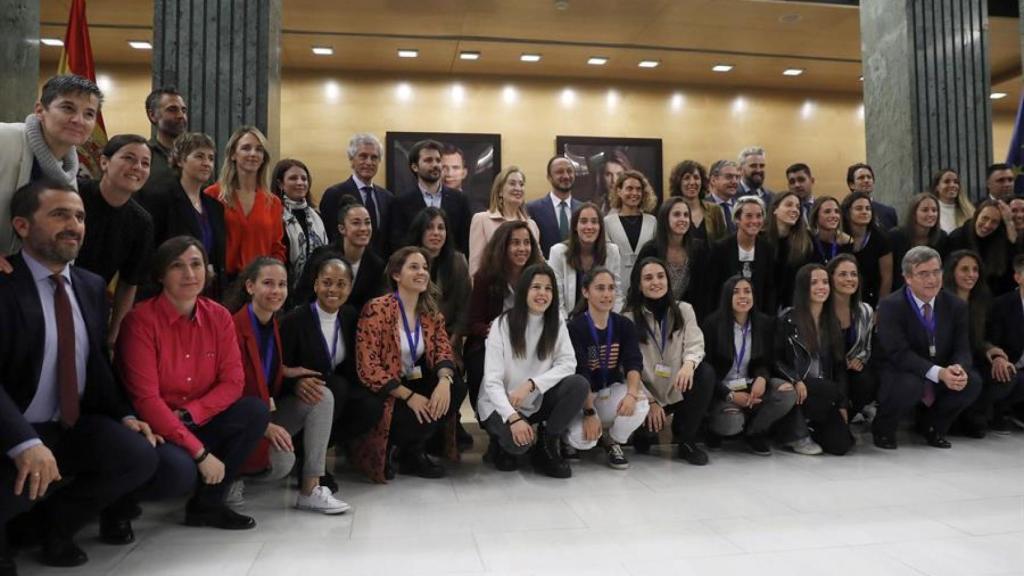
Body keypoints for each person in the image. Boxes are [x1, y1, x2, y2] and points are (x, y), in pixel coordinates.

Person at [0, 181, 159, 573]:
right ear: (21, 225)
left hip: (68, 424)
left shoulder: (89, 285)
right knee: (14, 491)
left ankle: (55, 528)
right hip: (11, 429)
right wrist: (23, 442)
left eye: (80, 216)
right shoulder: (4, 282)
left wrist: (123, 414)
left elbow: (93, 365)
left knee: (137, 455)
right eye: (59, 215)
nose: (74, 225)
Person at [117, 236, 270, 528]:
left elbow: (233, 382)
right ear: (161, 275)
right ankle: (119, 504)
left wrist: (192, 413)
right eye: (177, 266)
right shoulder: (140, 322)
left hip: (196, 417)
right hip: (155, 427)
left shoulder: (219, 316)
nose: (189, 274)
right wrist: (200, 454)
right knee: (179, 471)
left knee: (254, 412)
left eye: (196, 264)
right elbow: (146, 400)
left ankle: (207, 507)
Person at [227, 257, 350, 514]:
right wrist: (264, 425)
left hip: (263, 413)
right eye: (268, 283)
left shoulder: (272, 323)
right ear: (250, 286)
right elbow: (229, 388)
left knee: (322, 395)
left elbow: (263, 366)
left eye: (282, 284)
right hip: (237, 421)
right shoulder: (232, 326)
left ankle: (311, 488)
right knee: (283, 461)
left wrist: (290, 374)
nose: (276, 291)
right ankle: (231, 476)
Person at [353, 247, 464, 482]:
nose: (422, 272)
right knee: (400, 410)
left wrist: (444, 381)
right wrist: (409, 396)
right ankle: (394, 446)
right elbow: (368, 368)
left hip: (416, 380)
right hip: (389, 390)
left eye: (425, 267)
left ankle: (413, 451)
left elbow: (444, 349)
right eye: (413, 267)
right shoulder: (377, 309)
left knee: (456, 387)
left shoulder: (431, 312)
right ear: (396, 275)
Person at [477, 264, 588, 477]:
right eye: (536, 287)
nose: (542, 294)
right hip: (499, 405)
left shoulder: (556, 322)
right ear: (524, 291)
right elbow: (492, 381)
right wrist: (513, 418)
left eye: (548, 289)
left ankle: (547, 444)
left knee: (578, 384)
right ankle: (500, 442)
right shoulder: (502, 324)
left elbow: (568, 364)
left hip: (534, 399)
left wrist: (532, 384)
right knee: (518, 446)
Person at [872, 246, 981, 449]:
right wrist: (939, 373)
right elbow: (898, 353)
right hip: (900, 368)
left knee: (971, 381)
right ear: (908, 278)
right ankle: (884, 427)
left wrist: (958, 368)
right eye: (923, 274)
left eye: (936, 272)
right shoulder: (891, 306)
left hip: (939, 368)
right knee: (910, 383)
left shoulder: (956, 305)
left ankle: (933, 426)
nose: (932, 279)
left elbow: (963, 347)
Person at [622, 257, 715, 464]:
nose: (655, 282)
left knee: (705, 373)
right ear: (639, 285)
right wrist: (650, 400)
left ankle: (687, 440)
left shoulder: (684, 310)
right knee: (644, 442)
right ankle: (643, 428)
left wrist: (689, 365)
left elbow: (695, 344)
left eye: (660, 276)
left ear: (668, 281)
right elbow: (626, 367)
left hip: (676, 389)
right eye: (648, 278)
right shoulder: (628, 319)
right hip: (646, 393)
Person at [1, 74, 102, 259]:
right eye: (67, 108)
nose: (78, 120)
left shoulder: (69, 171)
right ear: (40, 110)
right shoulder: (4, 138)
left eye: (89, 114)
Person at [565, 267, 650, 469]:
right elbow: (581, 372)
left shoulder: (623, 325)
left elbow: (633, 362)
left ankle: (612, 441)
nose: (607, 294)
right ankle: (566, 439)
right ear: (586, 292)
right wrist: (589, 412)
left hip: (607, 391)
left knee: (640, 403)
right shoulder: (575, 328)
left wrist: (630, 393)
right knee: (584, 441)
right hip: (581, 399)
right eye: (600, 288)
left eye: (611, 288)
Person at [74, 134, 154, 346]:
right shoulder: (74, 193)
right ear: (104, 162)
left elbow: (129, 283)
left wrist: (115, 333)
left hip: (91, 305)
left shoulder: (142, 222)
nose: (137, 167)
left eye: (145, 163)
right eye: (129, 158)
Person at [700, 275, 794, 456]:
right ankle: (714, 428)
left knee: (787, 392)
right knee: (731, 424)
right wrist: (729, 395)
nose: (743, 296)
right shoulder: (712, 324)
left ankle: (754, 432)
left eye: (747, 291)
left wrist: (762, 377)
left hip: (749, 384)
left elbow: (766, 360)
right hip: (721, 390)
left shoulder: (764, 323)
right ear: (727, 296)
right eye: (736, 292)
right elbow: (706, 370)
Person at [773, 264, 854, 456]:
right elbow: (775, 359)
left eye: (825, 282)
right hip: (798, 388)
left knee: (842, 446)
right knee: (826, 388)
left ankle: (810, 428)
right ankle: (794, 434)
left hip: (823, 394)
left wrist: (842, 404)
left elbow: (839, 367)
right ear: (803, 287)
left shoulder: (832, 322)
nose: (821, 287)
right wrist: (795, 380)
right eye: (814, 282)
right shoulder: (787, 319)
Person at [464, 221, 545, 408]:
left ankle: (536, 416)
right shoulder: (485, 277)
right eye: (515, 243)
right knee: (478, 364)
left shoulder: (539, 276)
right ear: (503, 246)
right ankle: (489, 417)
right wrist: (494, 331)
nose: (522, 248)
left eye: (527, 243)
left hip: (530, 340)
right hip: (492, 341)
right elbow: (473, 322)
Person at [138, 132, 227, 300]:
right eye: (199, 156)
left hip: (208, 293)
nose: (207, 163)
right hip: (168, 293)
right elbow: (149, 251)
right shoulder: (160, 198)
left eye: (210, 158)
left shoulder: (215, 207)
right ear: (180, 160)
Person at [204, 126, 286, 283]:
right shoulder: (212, 195)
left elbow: (277, 248)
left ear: (264, 157)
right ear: (233, 154)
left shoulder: (273, 202)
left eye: (259, 150)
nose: (253, 154)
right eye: (246, 148)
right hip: (221, 283)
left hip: (260, 284)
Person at [299, 196, 384, 313]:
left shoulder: (376, 265)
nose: (364, 228)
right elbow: (303, 296)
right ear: (342, 228)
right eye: (356, 223)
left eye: (367, 223)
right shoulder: (322, 256)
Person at [408, 207, 472, 359]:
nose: (436, 233)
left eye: (441, 228)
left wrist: (450, 344)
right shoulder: (403, 261)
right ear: (419, 231)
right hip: (410, 341)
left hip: (448, 342)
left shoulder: (458, 262)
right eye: (429, 227)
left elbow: (464, 310)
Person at [390, 140, 471, 255]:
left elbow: (465, 241)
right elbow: (398, 244)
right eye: (428, 160)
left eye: (438, 160)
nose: (435, 165)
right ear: (414, 167)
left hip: (450, 268)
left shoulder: (460, 200)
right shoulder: (401, 203)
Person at [319, 133, 393, 256]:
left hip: (379, 268)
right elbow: (330, 236)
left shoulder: (387, 198)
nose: (369, 162)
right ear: (352, 160)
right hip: (344, 264)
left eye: (374, 157)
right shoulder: (334, 194)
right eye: (363, 156)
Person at [636, 197, 710, 318]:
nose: (683, 219)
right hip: (653, 315)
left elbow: (705, 292)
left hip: (690, 316)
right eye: (677, 214)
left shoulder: (699, 249)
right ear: (665, 219)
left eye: (686, 215)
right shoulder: (650, 250)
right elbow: (636, 287)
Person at [548, 202, 624, 318]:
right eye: (583, 221)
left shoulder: (612, 252)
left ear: (600, 227)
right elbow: (557, 301)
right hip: (569, 322)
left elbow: (617, 294)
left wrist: (611, 322)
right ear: (575, 226)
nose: (589, 227)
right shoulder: (558, 253)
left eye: (594, 222)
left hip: (604, 321)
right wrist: (567, 327)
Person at [827, 254, 878, 419]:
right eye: (843, 274)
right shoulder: (820, 310)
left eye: (853, 274)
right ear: (830, 278)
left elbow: (867, 346)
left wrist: (860, 359)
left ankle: (851, 412)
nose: (849, 279)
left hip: (851, 369)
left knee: (867, 379)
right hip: (826, 369)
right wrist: (841, 361)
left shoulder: (865, 311)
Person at [468, 165, 540, 277]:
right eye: (512, 183)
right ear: (500, 191)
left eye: (521, 184)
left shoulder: (531, 225)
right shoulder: (481, 220)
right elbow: (475, 266)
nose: (518, 188)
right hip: (493, 289)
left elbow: (537, 263)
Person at [709, 197, 777, 314]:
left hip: (758, 317)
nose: (755, 221)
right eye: (749, 216)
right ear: (737, 219)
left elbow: (770, 290)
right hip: (726, 315)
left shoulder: (767, 249)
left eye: (759, 216)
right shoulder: (720, 249)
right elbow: (712, 289)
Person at [271, 158, 327, 298]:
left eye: (304, 178)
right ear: (280, 184)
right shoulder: (274, 215)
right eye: (293, 178)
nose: (300, 183)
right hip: (283, 291)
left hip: (315, 293)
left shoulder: (317, 216)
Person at [984, 254, 1024, 433]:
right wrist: (999, 356)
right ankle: (995, 412)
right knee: (1007, 374)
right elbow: (991, 339)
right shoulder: (1001, 305)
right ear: (1018, 277)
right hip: (1006, 363)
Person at [948, 199, 1020, 295]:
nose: (987, 225)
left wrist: (1009, 222)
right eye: (984, 218)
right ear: (976, 215)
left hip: (995, 298)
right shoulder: (957, 237)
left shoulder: (1000, 240)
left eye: (994, 222)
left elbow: (1012, 272)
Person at [605, 169, 657, 292]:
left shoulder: (652, 221)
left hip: (647, 284)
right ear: (619, 191)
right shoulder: (607, 222)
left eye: (638, 189)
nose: (634, 193)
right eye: (629, 188)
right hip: (617, 284)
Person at [841, 191, 893, 306]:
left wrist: (880, 308)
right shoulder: (839, 237)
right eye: (859, 208)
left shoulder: (881, 238)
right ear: (847, 212)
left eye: (868, 208)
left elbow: (887, 278)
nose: (864, 212)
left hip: (872, 299)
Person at [526, 155, 582, 258]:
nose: (566, 176)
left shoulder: (583, 209)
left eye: (569, 171)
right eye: (559, 172)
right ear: (549, 177)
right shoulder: (533, 209)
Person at [889, 193, 948, 290]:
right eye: (925, 210)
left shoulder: (942, 237)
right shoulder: (896, 236)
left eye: (934, 210)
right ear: (913, 213)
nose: (931, 214)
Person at [138, 86, 188, 202]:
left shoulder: (196, 156)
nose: (181, 116)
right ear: (153, 115)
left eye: (183, 110)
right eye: (172, 109)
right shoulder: (142, 157)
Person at [768, 191, 814, 311]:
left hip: (794, 306)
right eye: (789, 205)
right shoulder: (761, 238)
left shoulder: (806, 241)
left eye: (798, 207)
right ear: (775, 209)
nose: (795, 210)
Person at [669, 159, 727, 243]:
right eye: (687, 178)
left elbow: (723, 242)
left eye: (696, 178)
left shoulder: (715, 210)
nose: (692, 182)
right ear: (678, 182)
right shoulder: (670, 210)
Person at [846, 162, 898, 230]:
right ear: (851, 184)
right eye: (861, 178)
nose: (866, 180)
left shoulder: (888, 212)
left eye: (869, 177)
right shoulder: (843, 211)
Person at [808, 196, 854, 266]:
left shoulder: (846, 243)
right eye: (827, 212)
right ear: (816, 216)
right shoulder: (808, 241)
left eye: (836, 211)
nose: (833, 215)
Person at [931, 168, 975, 233]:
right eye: (946, 181)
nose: (952, 185)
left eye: (956, 182)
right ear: (937, 187)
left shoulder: (970, 211)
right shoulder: (930, 211)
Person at [706, 159, 741, 232]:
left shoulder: (741, 206)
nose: (734, 181)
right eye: (729, 177)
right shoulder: (703, 206)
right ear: (713, 180)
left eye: (737, 177)